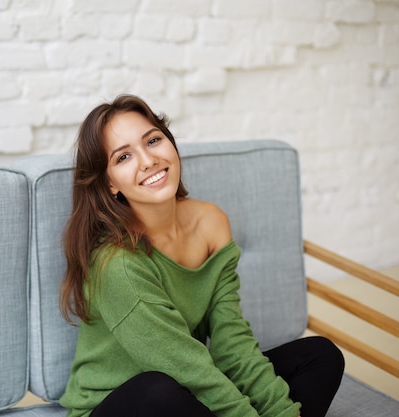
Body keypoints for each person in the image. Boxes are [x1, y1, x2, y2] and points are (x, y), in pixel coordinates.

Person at [59, 94, 344, 417]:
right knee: (159, 391)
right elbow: (185, 367)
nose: (148, 160)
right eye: (123, 157)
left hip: (184, 391)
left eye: (153, 140)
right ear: (110, 183)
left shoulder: (210, 222)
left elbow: (230, 344)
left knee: (321, 355)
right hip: (127, 405)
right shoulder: (117, 263)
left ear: (170, 143)